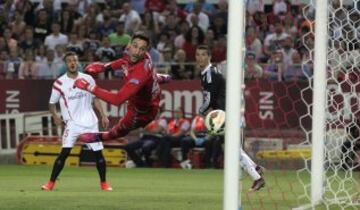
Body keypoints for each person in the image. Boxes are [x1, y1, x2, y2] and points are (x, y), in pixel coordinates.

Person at [73, 32, 171, 147]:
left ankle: (99, 137)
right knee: (152, 79)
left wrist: (88, 87)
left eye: (142, 49)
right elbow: (124, 61)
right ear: (129, 44)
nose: (137, 52)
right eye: (135, 46)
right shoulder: (136, 56)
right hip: (146, 93)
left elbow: (118, 99)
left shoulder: (140, 73)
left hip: (141, 113)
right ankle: (162, 78)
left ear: (146, 51)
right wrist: (104, 67)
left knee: (119, 131)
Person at [195, 45, 265, 191]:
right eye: (198, 55)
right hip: (226, 113)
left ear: (209, 57)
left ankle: (257, 178)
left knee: (231, 149)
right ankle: (255, 169)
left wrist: (200, 111)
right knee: (233, 148)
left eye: (203, 54)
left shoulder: (210, 74)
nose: (200, 57)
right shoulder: (210, 72)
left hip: (226, 115)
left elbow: (209, 98)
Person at [41, 51, 112, 191]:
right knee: (64, 153)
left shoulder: (88, 79)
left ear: (77, 62)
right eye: (69, 61)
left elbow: (95, 98)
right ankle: (50, 183)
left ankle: (104, 183)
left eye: (74, 60)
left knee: (98, 153)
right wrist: (55, 116)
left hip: (90, 122)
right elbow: (51, 103)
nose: (72, 63)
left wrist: (103, 115)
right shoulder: (59, 83)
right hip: (72, 124)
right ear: (66, 64)